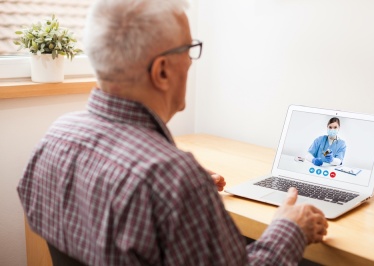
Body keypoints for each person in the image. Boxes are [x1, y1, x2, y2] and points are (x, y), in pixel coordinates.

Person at [17, 0, 328, 265]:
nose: (192, 62)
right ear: (162, 71)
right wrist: (290, 228)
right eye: (189, 49)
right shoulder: (173, 177)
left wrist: (181, 198)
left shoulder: (55, 137)